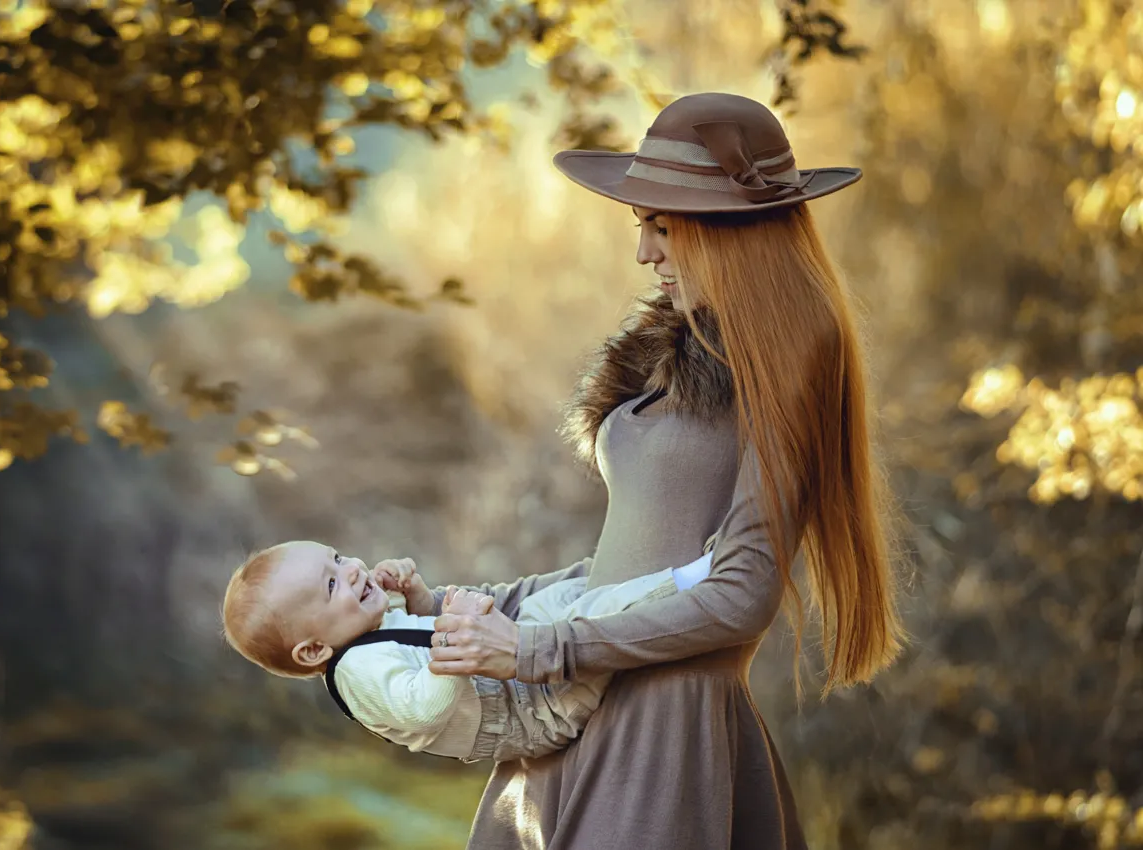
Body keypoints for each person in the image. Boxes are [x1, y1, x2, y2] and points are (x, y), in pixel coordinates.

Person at [425, 92, 907, 849]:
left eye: (662, 227)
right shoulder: (676, 348)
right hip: (579, 708)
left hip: (663, 730)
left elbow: (741, 593)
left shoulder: (789, 356)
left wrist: (541, 652)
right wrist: (448, 605)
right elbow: (634, 567)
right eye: (641, 227)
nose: (644, 253)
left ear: (727, 232)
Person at [220, 540, 716, 762]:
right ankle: (697, 580)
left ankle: (652, 565)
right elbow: (425, 707)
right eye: (332, 584)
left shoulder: (368, 629)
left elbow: (416, 630)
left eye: (338, 556)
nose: (352, 569)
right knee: (589, 615)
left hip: (521, 682)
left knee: (555, 599)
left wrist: (419, 597)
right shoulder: (357, 673)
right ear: (311, 651)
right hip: (535, 713)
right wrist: (456, 632)